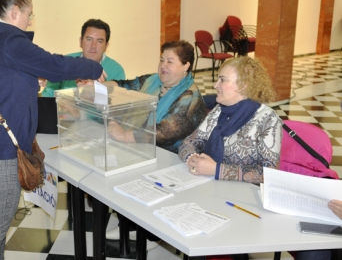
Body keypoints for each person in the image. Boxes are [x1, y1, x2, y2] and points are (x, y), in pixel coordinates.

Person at [0, 0, 104, 260]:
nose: (30, 21)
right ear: (14, 12)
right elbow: (55, 65)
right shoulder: (8, 40)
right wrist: (94, 68)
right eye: (29, 14)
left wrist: (28, 82)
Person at [82, 40, 207, 248]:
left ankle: (150, 234)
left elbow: (165, 132)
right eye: (161, 60)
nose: (163, 66)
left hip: (173, 161)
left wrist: (124, 135)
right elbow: (128, 85)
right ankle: (130, 224)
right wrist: (98, 86)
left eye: (170, 61)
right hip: (146, 152)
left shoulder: (190, 97)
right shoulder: (154, 81)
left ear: (186, 66)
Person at [179, 56, 283, 184]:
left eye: (222, 80)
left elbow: (269, 174)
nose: (215, 85)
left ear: (242, 85)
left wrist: (217, 170)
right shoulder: (219, 110)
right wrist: (192, 158)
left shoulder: (268, 119)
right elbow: (188, 143)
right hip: (211, 185)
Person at [40, 18, 125, 96]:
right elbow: (48, 95)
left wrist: (95, 90)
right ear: (81, 42)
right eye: (89, 39)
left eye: (99, 41)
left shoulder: (116, 70)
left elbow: (116, 105)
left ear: (106, 45)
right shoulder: (66, 63)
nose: (93, 46)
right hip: (64, 112)